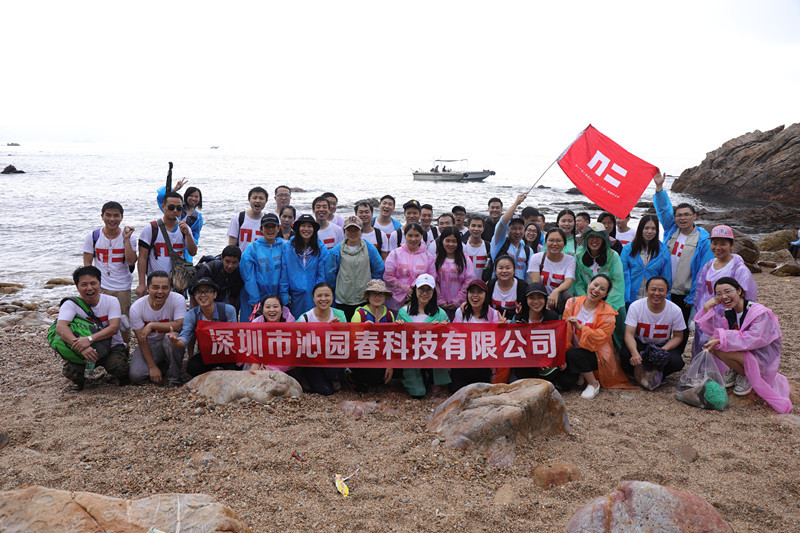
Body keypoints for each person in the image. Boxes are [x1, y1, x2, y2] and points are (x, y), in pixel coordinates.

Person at [696, 277, 792, 413]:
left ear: (739, 290)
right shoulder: (729, 312)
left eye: (728, 291)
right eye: (719, 294)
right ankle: (739, 371)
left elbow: (753, 338)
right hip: (745, 353)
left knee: (719, 342)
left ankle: (747, 375)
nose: (724, 297)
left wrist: (721, 339)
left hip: (761, 358)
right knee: (714, 342)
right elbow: (715, 330)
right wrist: (707, 308)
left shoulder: (759, 312)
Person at [653, 171, 713, 355]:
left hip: (685, 293)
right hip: (665, 289)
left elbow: (704, 270)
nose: (682, 218)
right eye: (679, 215)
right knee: (661, 323)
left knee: (681, 327)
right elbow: (663, 210)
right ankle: (657, 353)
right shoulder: (671, 230)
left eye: (686, 214)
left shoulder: (703, 239)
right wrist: (659, 187)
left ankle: (674, 357)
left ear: (695, 216)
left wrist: (693, 296)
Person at [55, 266, 129, 391]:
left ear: (100, 283)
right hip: (85, 350)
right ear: (77, 287)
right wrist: (82, 347)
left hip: (111, 347)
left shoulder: (111, 301)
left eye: (93, 283)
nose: (89, 288)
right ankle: (80, 381)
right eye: (84, 284)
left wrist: (89, 339)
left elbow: (113, 328)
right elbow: (60, 327)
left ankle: (121, 376)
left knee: (120, 367)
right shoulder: (71, 304)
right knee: (71, 372)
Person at [691, 225, 758, 356]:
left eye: (723, 243)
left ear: (731, 245)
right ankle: (702, 372)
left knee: (722, 347)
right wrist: (700, 310)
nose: (718, 247)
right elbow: (700, 289)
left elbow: (746, 295)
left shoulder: (738, 269)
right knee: (703, 345)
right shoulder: (709, 265)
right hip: (708, 313)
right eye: (714, 243)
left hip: (727, 317)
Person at [561, 274, 631, 398]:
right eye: (595, 285)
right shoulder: (572, 302)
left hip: (597, 354)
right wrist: (562, 356)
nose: (597, 290)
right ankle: (581, 374)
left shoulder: (608, 312)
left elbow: (601, 337)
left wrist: (580, 327)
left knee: (574, 355)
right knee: (565, 383)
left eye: (602, 289)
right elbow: (565, 331)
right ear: (589, 284)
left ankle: (593, 384)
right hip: (575, 350)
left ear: (605, 294)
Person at [82, 201, 137, 344]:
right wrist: (90, 287)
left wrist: (126, 240)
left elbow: (131, 261)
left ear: (121, 217)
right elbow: (87, 265)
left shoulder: (130, 237)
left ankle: (123, 350)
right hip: (101, 287)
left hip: (122, 287)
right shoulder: (93, 236)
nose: (112, 219)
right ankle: (101, 348)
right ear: (102, 216)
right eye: (108, 215)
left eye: (116, 216)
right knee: (99, 320)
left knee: (123, 321)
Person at [620, 276, 686, 388]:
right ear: (646, 290)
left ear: (667, 292)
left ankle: (658, 374)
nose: (656, 293)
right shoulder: (636, 306)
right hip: (641, 343)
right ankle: (636, 372)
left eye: (661, 290)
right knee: (626, 354)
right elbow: (629, 334)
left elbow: (678, 337)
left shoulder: (675, 310)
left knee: (677, 362)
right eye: (653, 289)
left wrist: (661, 351)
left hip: (661, 345)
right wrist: (634, 353)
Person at [167, 278, 239, 377]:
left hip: (226, 352)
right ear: (195, 296)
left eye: (207, 291)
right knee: (192, 368)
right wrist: (176, 342)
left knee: (236, 369)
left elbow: (234, 336)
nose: (203, 295)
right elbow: (184, 338)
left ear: (215, 295)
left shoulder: (228, 310)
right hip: (206, 353)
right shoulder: (192, 315)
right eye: (199, 292)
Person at [396, 274, 451, 398]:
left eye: (428, 290)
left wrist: (442, 329)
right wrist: (398, 327)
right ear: (415, 290)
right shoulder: (404, 312)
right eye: (421, 289)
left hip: (431, 354)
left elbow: (448, 339)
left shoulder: (440, 313)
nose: (424, 293)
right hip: (411, 357)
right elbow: (397, 339)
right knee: (418, 393)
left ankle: (432, 378)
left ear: (433, 292)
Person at [573, 223, 627, 349]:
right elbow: (578, 283)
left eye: (598, 238)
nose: (594, 241)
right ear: (586, 239)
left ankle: (619, 353)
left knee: (618, 316)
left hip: (610, 301)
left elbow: (617, 283)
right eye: (591, 237)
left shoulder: (613, 256)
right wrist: (588, 302)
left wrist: (607, 307)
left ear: (604, 240)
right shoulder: (579, 257)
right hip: (587, 299)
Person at [129, 271, 186, 387]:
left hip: (170, 342)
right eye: (155, 287)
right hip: (150, 344)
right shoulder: (137, 307)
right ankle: (162, 365)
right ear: (147, 288)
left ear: (170, 288)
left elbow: (180, 325)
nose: (160, 292)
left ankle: (175, 378)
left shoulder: (178, 299)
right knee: (136, 375)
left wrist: (152, 325)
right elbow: (142, 340)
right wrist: (152, 367)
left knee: (170, 338)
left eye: (165, 288)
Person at [136, 191, 197, 297]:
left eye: (179, 208)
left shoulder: (184, 229)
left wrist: (188, 235)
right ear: (163, 207)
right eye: (171, 207)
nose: (175, 211)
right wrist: (142, 283)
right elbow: (142, 258)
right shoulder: (151, 228)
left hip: (178, 282)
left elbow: (192, 252)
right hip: (156, 282)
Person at [325, 215, 385, 320]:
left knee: (363, 331)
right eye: (349, 229)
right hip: (342, 299)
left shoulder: (369, 248)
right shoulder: (336, 251)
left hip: (363, 298)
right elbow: (330, 274)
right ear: (344, 231)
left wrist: (371, 287)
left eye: (356, 229)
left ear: (361, 230)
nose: (353, 233)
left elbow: (379, 268)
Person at [450, 279, 505, 392]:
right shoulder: (461, 312)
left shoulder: (494, 314)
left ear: (486, 294)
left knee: (480, 392)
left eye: (479, 292)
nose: (475, 296)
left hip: (483, 361)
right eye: (472, 292)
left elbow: (497, 342)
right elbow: (455, 335)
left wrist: (501, 328)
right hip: (463, 360)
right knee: (457, 390)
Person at [295, 282, 347, 396]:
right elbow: (296, 342)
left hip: (332, 358)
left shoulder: (339, 315)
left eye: (327, 295)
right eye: (319, 295)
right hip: (312, 362)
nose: (323, 299)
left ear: (333, 297)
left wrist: (336, 330)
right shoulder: (305, 318)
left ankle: (334, 378)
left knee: (336, 375)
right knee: (326, 391)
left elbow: (347, 340)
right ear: (313, 298)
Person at [240, 213, 288, 321]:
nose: (270, 230)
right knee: (254, 328)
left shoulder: (284, 247)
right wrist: (254, 297)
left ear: (278, 228)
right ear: (261, 229)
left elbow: (286, 272)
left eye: (273, 226)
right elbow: (248, 275)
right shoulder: (252, 248)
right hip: (257, 297)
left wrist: (284, 296)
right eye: (267, 227)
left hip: (277, 296)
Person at [350, 279, 395, 392]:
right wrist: (363, 330)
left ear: (385, 296)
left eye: (380, 294)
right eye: (373, 294)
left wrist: (390, 365)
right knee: (369, 379)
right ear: (368, 296)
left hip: (381, 356)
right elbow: (351, 341)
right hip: (363, 355)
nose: (377, 297)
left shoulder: (389, 315)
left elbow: (392, 341)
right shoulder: (359, 314)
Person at [280, 214, 329, 319]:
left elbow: (322, 275)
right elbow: (284, 273)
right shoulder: (289, 248)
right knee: (296, 327)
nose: (306, 229)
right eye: (303, 226)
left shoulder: (321, 248)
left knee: (313, 326)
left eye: (310, 226)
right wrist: (284, 296)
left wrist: (320, 295)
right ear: (297, 228)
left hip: (313, 297)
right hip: (294, 296)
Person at [511, 282, 561, 383]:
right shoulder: (520, 317)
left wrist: (557, 358)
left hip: (545, 357)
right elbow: (514, 343)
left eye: (540, 297)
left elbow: (557, 341)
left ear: (545, 299)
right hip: (526, 358)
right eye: (532, 298)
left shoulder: (552, 317)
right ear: (526, 300)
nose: (536, 301)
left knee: (554, 373)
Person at [620, 214, 672, 307]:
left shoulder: (663, 250)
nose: (650, 232)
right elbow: (622, 273)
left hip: (654, 298)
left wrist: (666, 296)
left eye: (653, 228)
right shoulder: (628, 249)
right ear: (640, 229)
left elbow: (666, 276)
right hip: (631, 298)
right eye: (646, 228)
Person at [383, 223, 435, 311]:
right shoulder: (395, 254)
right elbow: (387, 276)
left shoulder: (428, 257)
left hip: (420, 298)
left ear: (421, 236)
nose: (413, 239)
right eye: (410, 235)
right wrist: (406, 288)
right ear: (405, 236)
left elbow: (432, 277)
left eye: (417, 236)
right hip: (395, 300)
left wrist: (415, 288)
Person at [526, 228, 575, 316]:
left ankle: (565, 321)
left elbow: (569, 281)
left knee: (567, 295)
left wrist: (556, 291)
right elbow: (536, 284)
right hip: (540, 296)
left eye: (559, 241)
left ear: (564, 243)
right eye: (551, 240)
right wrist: (544, 300)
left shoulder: (570, 260)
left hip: (557, 299)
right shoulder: (536, 258)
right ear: (545, 242)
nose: (554, 244)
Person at [157, 178, 203, 261]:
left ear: (200, 199)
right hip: (169, 243)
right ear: (186, 196)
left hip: (185, 250)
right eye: (191, 196)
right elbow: (161, 198)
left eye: (196, 197)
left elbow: (195, 236)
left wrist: (189, 241)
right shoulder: (175, 209)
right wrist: (174, 189)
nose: (193, 198)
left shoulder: (198, 217)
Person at [434, 226, 475, 320]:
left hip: (460, 306)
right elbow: (434, 281)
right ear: (442, 241)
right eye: (447, 240)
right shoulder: (436, 260)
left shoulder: (465, 260)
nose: (451, 244)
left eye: (454, 241)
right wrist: (440, 300)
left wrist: (457, 301)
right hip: (439, 307)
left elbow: (469, 281)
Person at [490, 193, 533, 280]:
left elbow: (529, 275)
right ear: (507, 230)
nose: (517, 232)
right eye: (513, 228)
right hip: (499, 288)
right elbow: (502, 223)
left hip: (519, 290)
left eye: (520, 228)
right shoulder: (499, 242)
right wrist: (516, 203)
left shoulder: (528, 250)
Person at [247, 295, 295, 373]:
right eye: (268, 307)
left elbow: (292, 353)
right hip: (260, 362)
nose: (272, 310)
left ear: (282, 310)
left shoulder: (290, 324)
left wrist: (272, 368)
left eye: (275, 306)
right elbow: (250, 346)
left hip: (284, 365)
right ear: (263, 310)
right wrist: (255, 363)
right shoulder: (256, 324)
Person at [191, 245, 244, 310]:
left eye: (234, 262)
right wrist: (195, 310)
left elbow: (234, 295)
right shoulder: (209, 269)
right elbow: (191, 289)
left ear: (239, 261)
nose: (230, 266)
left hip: (221, 296)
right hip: (202, 295)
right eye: (227, 261)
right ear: (222, 258)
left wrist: (228, 312)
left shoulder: (239, 273)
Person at [228, 187, 269, 252]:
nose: (258, 201)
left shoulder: (267, 220)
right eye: (254, 198)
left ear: (266, 201)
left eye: (261, 198)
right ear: (249, 199)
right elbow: (231, 245)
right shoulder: (238, 218)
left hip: (261, 260)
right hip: (242, 260)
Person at [463, 215, 491, 281]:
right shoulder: (462, 246)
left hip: (482, 286)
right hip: (465, 286)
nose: (476, 229)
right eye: (473, 225)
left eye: (479, 226)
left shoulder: (489, 246)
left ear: (483, 228)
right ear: (468, 227)